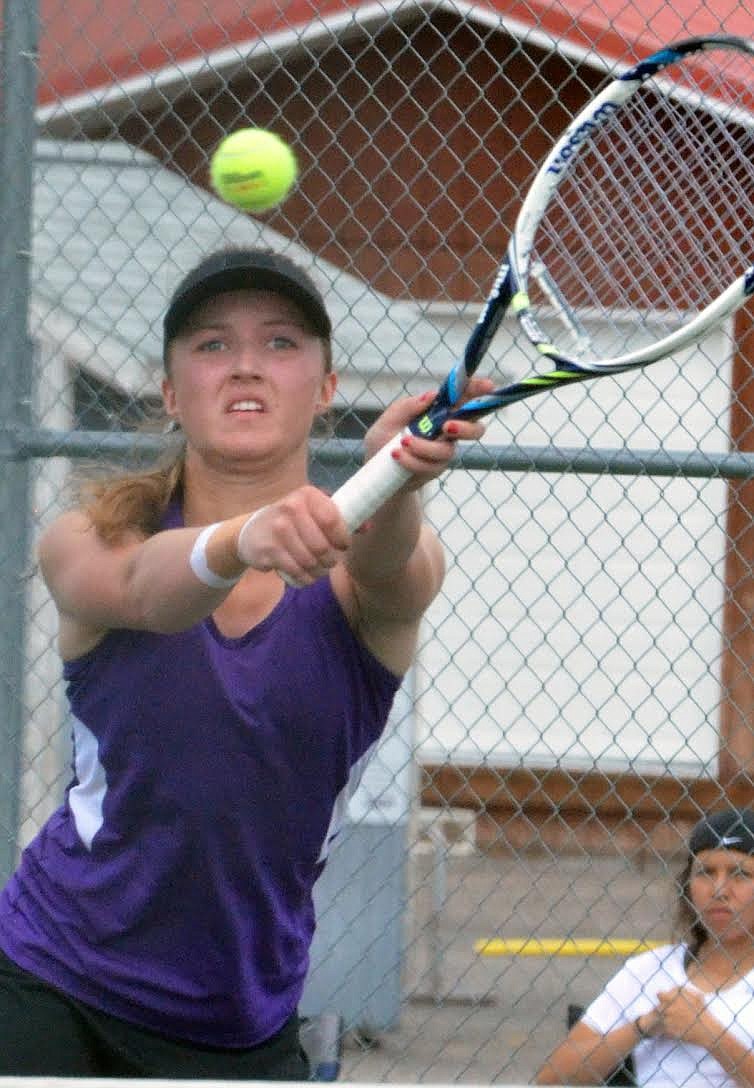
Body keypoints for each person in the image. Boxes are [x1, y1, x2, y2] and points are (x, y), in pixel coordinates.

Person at [0, 246, 490, 1077]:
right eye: (212, 346)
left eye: (281, 344)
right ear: (170, 392)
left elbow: (389, 571)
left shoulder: (378, 572)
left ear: (326, 388)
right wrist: (240, 541)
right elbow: (146, 591)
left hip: (241, 1022)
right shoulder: (92, 536)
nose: (245, 368)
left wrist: (395, 476)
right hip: (56, 979)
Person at [536, 808, 754, 1087]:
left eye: (740, 874)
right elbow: (552, 1078)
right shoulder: (650, 969)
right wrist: (646, 1025)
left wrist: (710, 1034)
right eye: (706, 872)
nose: (719, 889)